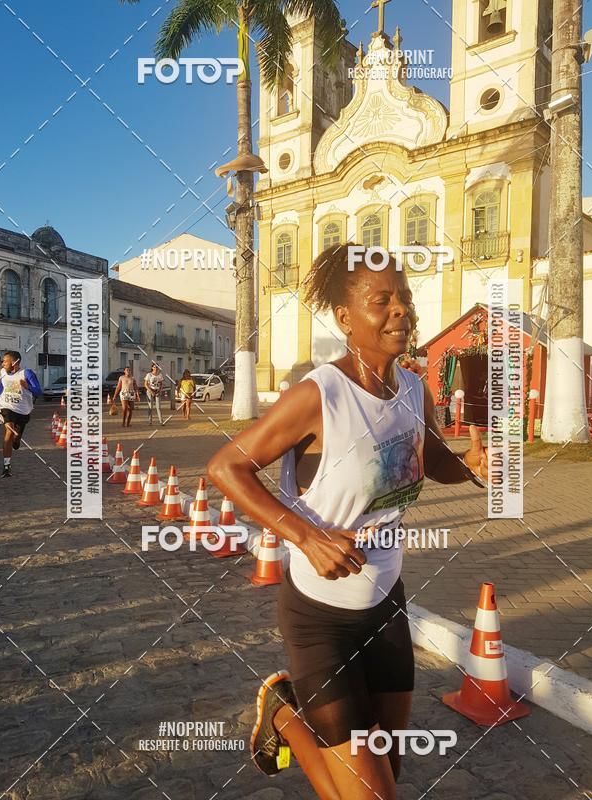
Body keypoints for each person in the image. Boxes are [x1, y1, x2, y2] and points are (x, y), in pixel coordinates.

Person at [207, 245, 488, 800]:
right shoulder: (320, 395)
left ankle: (286, 714)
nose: (400, 311)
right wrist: (305, 536)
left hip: (385, 606)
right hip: (320, 620)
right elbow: (226, 467)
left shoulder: (413, 389)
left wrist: (470, 465)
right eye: (380, 301)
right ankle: (289, 712)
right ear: (344, 317)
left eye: (403, 298)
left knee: (388, 774)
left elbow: (428, 460)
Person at [0, 351, 42, 477]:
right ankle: (6, 466)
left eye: (5, 361)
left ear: (14, 362)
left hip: (23, 410)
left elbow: (38, 392)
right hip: (6, 407)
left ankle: (17, 439)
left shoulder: (27, 373)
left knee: (15, 440)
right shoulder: (3, 373)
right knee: (9, 431)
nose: (2, 363)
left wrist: (27, 386)